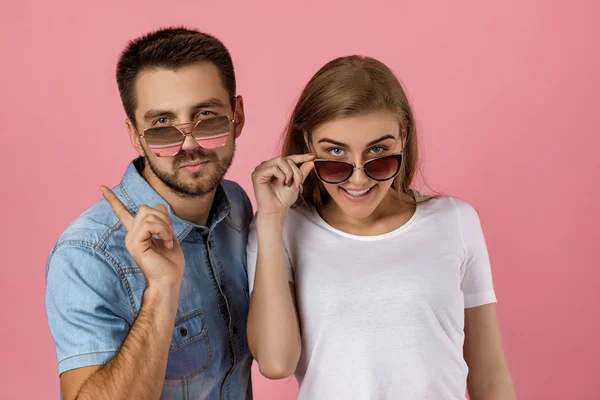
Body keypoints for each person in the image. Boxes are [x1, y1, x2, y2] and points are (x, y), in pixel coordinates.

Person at [246, 55, 516, 399]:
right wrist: (270, 220)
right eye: (336, 154)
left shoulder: (455, 222)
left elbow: (489, 376)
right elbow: (275, 363)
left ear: (402, 137)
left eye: (378, 151)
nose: (358, 178)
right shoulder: (281, 229)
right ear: (308, 144)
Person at [45, 27, 253, 400]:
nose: (189, 144)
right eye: (161, 125)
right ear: (133, 133)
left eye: (207, 116)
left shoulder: (236, 206)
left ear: (236, 115)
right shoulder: (88, 253)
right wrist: (161, 291)